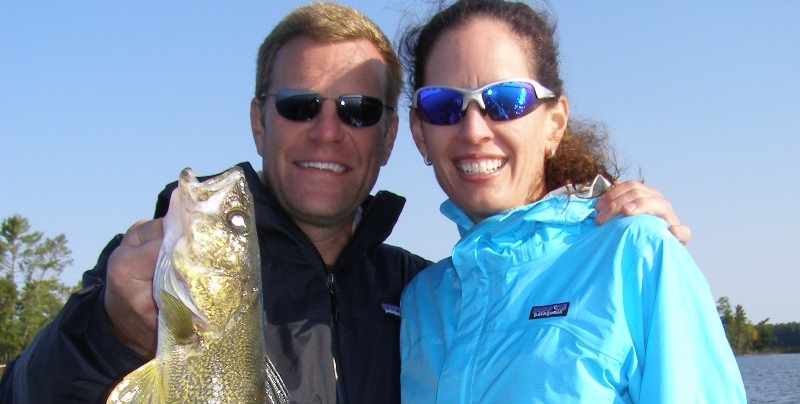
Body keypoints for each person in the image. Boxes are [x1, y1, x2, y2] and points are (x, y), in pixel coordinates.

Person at [0, 2, 690, 404]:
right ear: (258, 122)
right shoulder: (152, 268)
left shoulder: (422, 294)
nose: (327, 131)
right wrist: (110, 331)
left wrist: (610, 222)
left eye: (358, 111)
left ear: (391, 136)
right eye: (300, 105)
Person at [397, 0, 746, 403]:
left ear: (554, 123)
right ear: (420, 133)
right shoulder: (421, 302)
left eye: (505, 100)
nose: (473, 130)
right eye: (443, 105)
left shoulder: (637, 255)